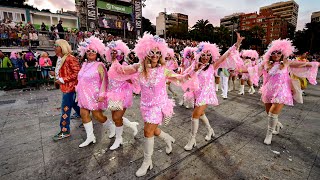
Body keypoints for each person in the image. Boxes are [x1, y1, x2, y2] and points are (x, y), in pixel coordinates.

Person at [184, 33, 244, 151]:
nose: (206, 57)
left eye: (208, 55)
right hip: (197, 93)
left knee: (195, 115)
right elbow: (186, 76)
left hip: (206, 94)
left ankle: (192, 139)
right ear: (199, 55)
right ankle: (210, 130)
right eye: (203, 55)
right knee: (200, 114)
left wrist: (237, 44)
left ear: (211, 56)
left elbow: (226, 56)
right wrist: (194, 70)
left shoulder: (213, 66)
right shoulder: (195, 65)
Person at [260, 39, 319, 145]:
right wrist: (239, 70)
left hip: (281, 91)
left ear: (283, 53)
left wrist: (314, 64)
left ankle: (269, 134)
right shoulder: (266, 64)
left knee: (273, 113)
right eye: (273, 52)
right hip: (268, 91)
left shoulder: (287, 63)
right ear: (270, 54)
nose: (276, 54)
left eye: (279, 52)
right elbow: (255, 69)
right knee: (269, 113)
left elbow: (303, 65)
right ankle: (276, 124)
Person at [76, 36, 115, 147]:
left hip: (95, 95)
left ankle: (111, 126)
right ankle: (90, 137)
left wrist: (102, 94)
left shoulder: (100, 65)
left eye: (93, 51)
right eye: (88, 51)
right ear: (85, 52)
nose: (90, 53)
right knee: (83, 114)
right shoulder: (83, 64)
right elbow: (80, 79)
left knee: (97, 116)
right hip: (83, 94)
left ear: (97, 52)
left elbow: (105, 81)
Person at [104, 40, 140, 150]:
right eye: (112, 52)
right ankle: (131, 125)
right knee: (116, 118)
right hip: (113, 95)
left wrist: (130, 78)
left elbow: (132, 71)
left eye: (117, 52)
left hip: (123, 95)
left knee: (116, 117)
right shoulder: (112, 65)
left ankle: (119, 139)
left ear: (122, 53)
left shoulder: (123, 65)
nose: (114, 54)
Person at [52, 39, 81, 141]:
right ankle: (82, 116)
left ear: (62, 47)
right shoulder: (60, 58)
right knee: (73, 104)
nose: (54, 47)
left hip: (70, 88)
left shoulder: (70, 58)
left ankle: (65, 130)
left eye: (56, 45)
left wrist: (63, 79)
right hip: (66, 87)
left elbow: (77, 73)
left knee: (65, 109)